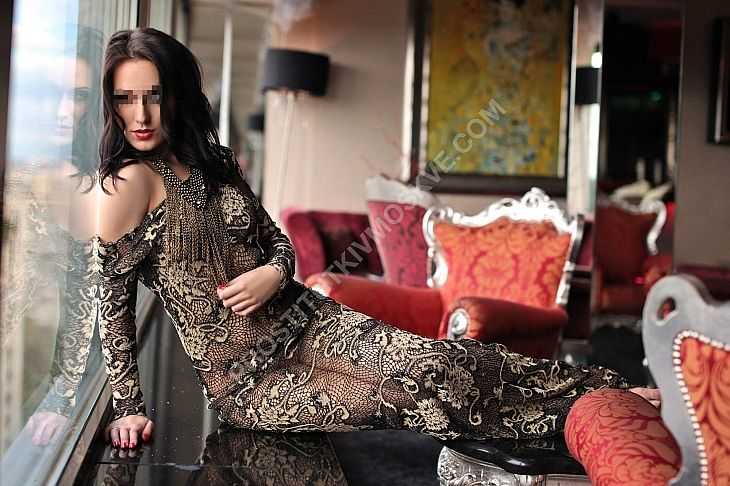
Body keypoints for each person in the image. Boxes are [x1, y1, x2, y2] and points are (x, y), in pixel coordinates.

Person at [95, 28, 660, 451]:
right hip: (250, 380)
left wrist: (273, 273)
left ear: (178, 96)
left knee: (432, 359)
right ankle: (578, 413)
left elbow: (278, 243)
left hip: (310, 320)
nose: (140, 114)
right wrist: (127, 406)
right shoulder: (127, 184)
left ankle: (600, 389)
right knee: (408, 393)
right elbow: (111, 302)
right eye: (125, 98)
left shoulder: (215, 164)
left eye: (154, 95)